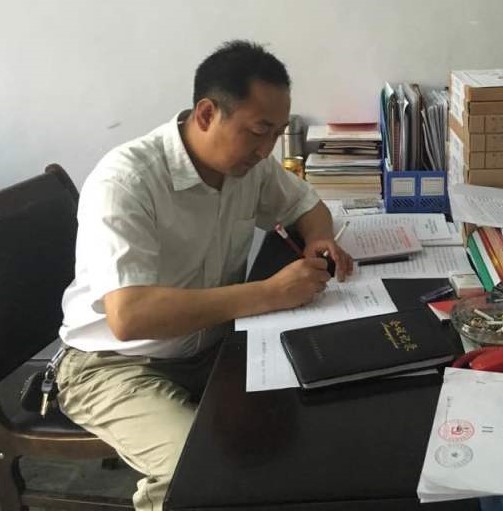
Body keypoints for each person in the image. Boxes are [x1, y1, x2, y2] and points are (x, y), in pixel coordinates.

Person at [56, 40, 352, 510]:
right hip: (115, 364)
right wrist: (268, 293)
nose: (266, 150)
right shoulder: (126, 181)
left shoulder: (247, 166)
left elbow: (305, 205)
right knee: (198, 470)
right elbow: (130, 316)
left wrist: (319, 239)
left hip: (211, 349)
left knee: (315, 418)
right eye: (258, 131)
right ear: (207, 113)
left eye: (276, 134)